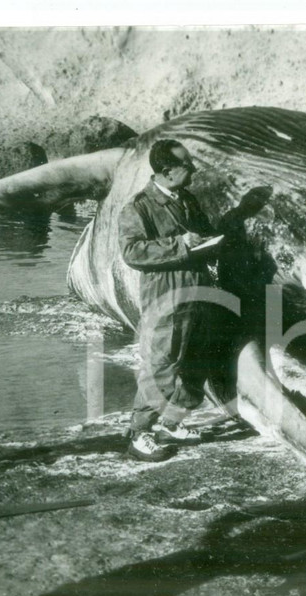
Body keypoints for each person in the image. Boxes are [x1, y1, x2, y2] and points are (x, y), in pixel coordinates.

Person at [118, 139, 230, 461]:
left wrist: (210, 241)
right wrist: (179, 244)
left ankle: (172, 422)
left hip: (198, 292)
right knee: (161, 368)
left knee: (196, 362)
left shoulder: (187, 200)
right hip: (165, 297)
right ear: (166, 171)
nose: (193, 170)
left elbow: (203, 234)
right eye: (187, 166)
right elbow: (132, 252)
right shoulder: (138, 207)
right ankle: (140, 434)